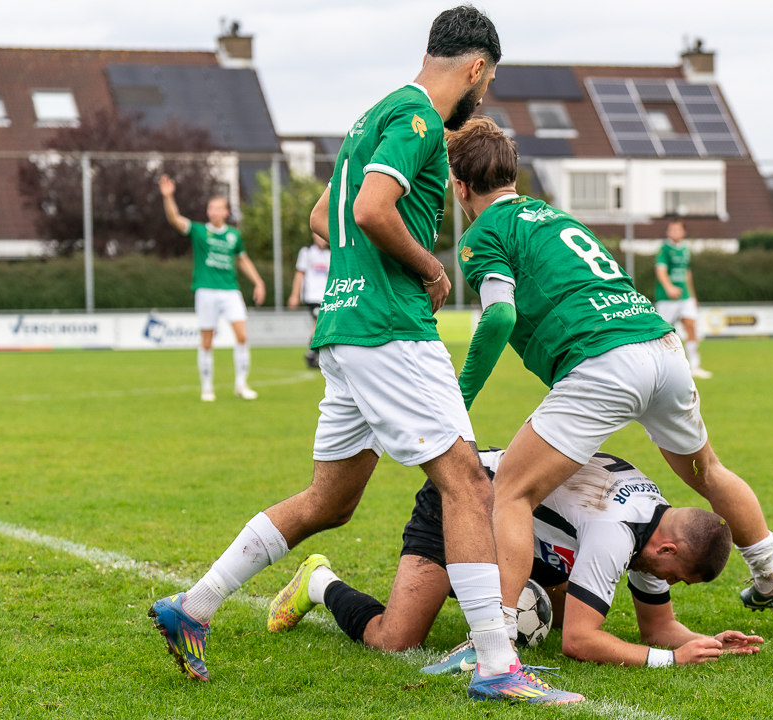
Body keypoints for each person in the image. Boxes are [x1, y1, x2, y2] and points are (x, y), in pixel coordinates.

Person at [149, 9, 581, 705]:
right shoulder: (415, 121)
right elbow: (375, 211)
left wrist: (368, 259)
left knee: (331, 500)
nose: (486, 93)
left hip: (343, 328)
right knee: (468, 484)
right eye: (489, 80)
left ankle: (192, 607)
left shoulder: (372, 115)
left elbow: (327, 216)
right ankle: (499, 667)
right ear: (475, 69)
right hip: (389, 329)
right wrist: (430, 269)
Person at [446, 118, 773, 649]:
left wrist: (459, 398)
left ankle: (492, 646)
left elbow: (498, 319)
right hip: (660, 346)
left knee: (512, 492)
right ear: (513, 174)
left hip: (604, 362)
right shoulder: (552, 215)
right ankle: (771, 578)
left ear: (460, 185)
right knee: (710, 469)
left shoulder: (483, 233)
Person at [269, 449, 763, 672]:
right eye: (674, 575)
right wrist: (670, 661)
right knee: (394, 642)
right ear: (668, 549)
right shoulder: (616, 535)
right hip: (465, 501)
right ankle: (320, 580)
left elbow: (658, 626)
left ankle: (502, 603)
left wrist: (704, 643)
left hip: (530, 530)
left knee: (584, 608)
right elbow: (580, 644)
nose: (666, 581)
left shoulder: (654, 522)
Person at [159, 175, 266, 402]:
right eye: (210, 208)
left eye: (218, 208)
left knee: (242, 336)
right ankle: (207, 387)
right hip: (206, 291)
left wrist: (258, 281)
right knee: (207, 340)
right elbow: (175, 219)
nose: (213, 211)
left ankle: (241, 384)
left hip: (230, 291)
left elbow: (243, 259)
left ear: (226, 212)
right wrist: (168, 197)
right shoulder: (199, 231)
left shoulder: (233, 235)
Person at [654, 219, 711, 379]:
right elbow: (660, 270)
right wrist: (669, 287)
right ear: (667, 232)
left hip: (685, 297)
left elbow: (687, 273)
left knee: (691, 325)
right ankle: (660, 367)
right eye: (671, 229)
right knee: (662, 333)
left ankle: (695, 366)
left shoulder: (685, 249)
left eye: (677, 229)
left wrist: (693, 295)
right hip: (667, 299)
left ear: (683, 232)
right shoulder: (664, 249)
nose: (674, 232)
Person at [287, 232, 331, 369]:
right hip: (313, 296)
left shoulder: (331, 254)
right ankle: (312, 354)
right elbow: (300, 274)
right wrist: (295, 295)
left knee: (322, 325)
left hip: (327, 297)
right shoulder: (306, 252)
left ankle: (313, 353)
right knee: (318, 322)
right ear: (313, 235)